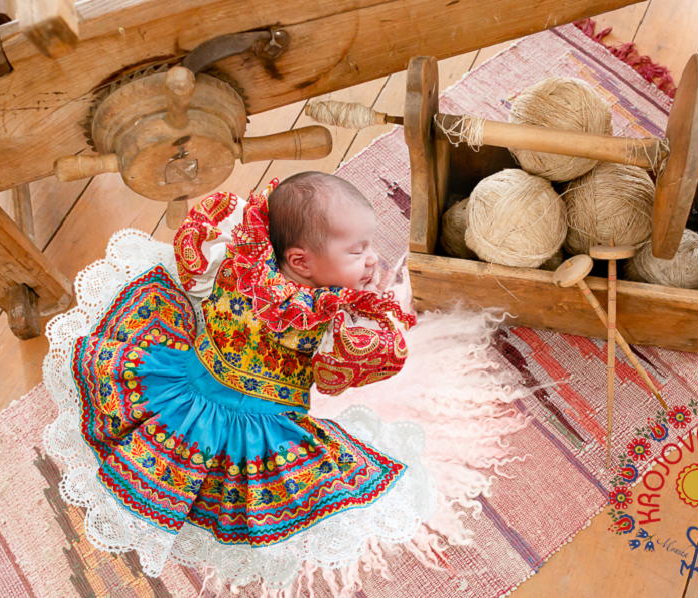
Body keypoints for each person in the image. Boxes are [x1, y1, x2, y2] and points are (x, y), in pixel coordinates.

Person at [50, 172, 437, 590]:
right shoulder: (324, 325)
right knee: (280, 493)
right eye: (357, 251)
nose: (372, 260)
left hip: (178, 386)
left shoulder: (243, 261)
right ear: (301, 261)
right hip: (254, 431)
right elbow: (342, 375)